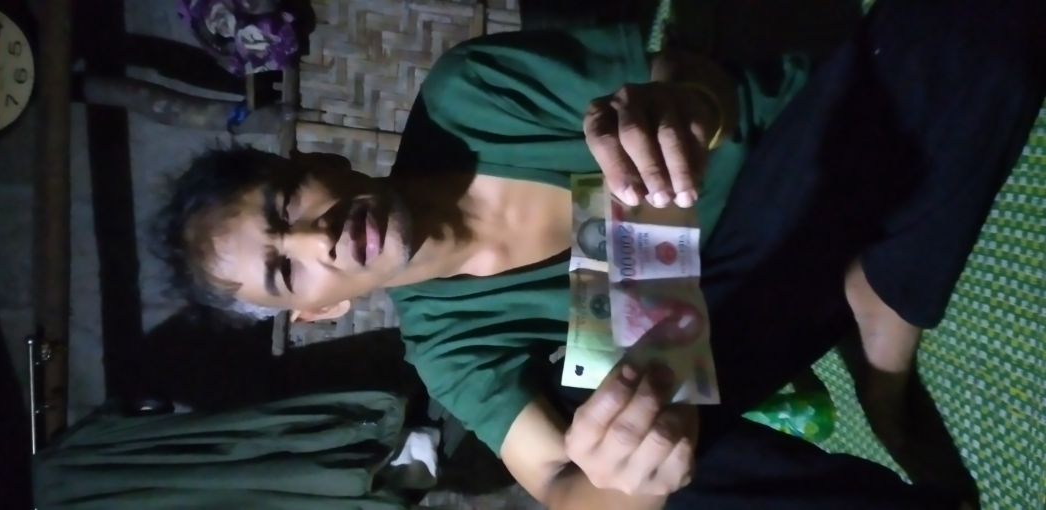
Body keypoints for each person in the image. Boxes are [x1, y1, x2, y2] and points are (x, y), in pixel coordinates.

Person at [156, 0, 1045, 508]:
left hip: (796, 154)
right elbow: (558, 485)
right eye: (286, 270)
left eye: (286, 205)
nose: (315, 237)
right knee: (635, 450)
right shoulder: (447, 346)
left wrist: (683, 107)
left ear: (318, 160)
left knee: (974, 28)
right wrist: (631, 479)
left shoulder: (468, 98)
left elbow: (685, 76)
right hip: (725, 317)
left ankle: (877, 343)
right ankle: (874, 340)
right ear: (319, 311)